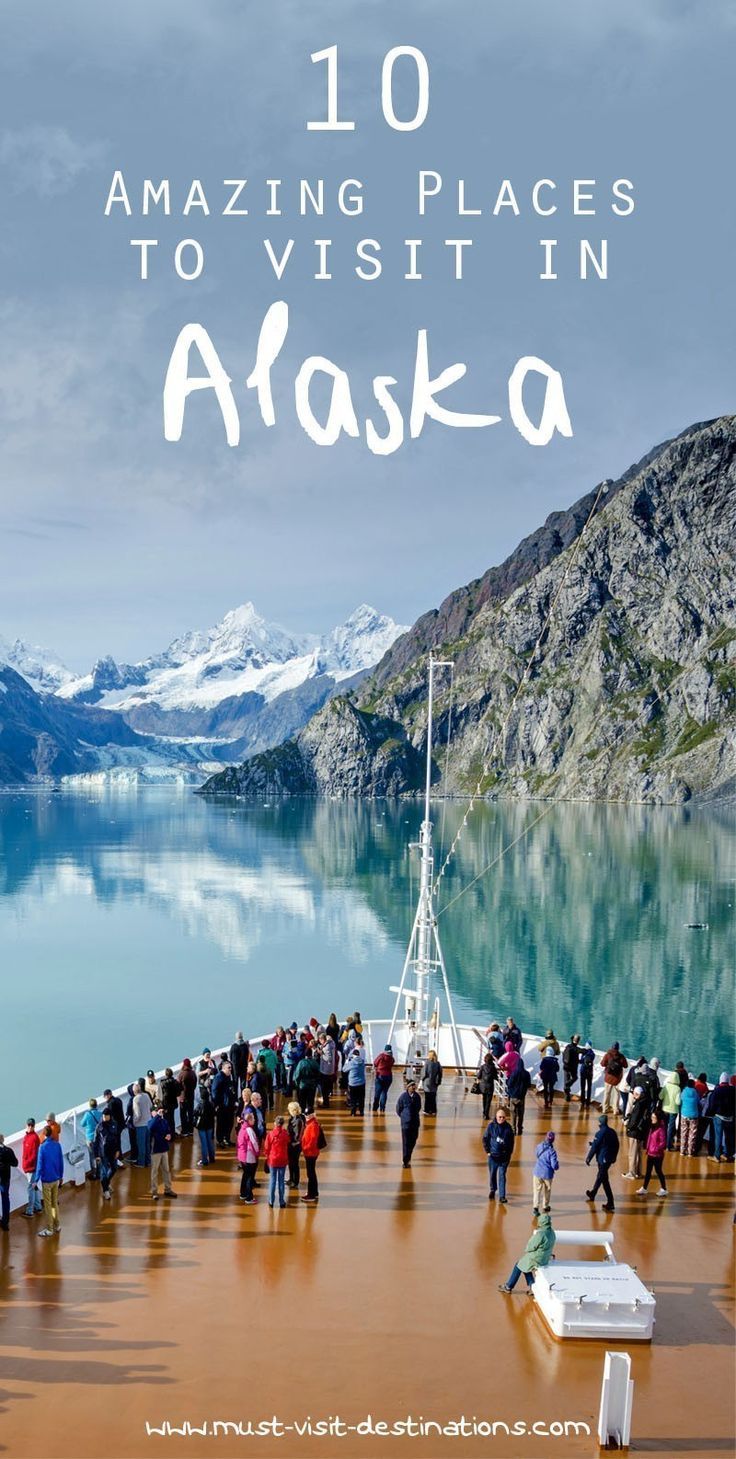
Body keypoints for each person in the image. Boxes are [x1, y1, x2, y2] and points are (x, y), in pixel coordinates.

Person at [498, 1213, 556, 1293]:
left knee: (518, 1265)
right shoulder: (552, 1232)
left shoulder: (540, 1234)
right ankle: (532, 1286)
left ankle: (508, 1286)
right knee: (525, 1265)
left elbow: (529, 1248)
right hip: (545, 1257)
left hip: (537, 1258)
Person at [585, 1114, 619, 1211]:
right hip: (608, 1159)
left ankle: (610, 1201)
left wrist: (588, 1158)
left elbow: (595, 1147)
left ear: (600, 1123)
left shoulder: (599, 1133)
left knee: (602, 1178)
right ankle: (594, 1194)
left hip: (602, 1159)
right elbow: (616, 1145)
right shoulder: (612, 1132)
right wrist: (614, 1157)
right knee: (602, 1178)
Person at [35, 1125, 64, 1237]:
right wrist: (61, 1176)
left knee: (48, 1205)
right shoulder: (57, 1145)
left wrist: (35, 1180)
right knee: (54, 1203)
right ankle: (57, 1225)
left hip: (46, 1180)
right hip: (55, 1179)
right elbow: (60, 1162)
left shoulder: (42, 1147)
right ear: (51, 1133)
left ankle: (49, 1228)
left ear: (44, 1134)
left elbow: (39, 1165)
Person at [482, 1106, 515, 1203]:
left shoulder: (508, 1128)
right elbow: (485, 1139)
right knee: (492, 1175)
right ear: (496, 1117)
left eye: (503, 1117)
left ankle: (502, 1196)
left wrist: (509, 1154)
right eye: (500, 1117)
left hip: (504, 1158)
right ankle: (493, 1189)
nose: (501, 1119)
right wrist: (488, 1151)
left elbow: (512, 1143)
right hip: (493, 1157)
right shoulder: (491, 1126)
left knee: (502, 1176)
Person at [637, 1110, 668, 1196]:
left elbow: (663, 1143)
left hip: (657, 1155)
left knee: (658, 1171)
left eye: (654, 1117)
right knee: (648, 1171)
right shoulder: (652, 1126)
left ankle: (664, 1188)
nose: (652, 1119)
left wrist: (655, 1149)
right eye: (652, 1117)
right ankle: (644, 1188)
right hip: (650, 1153)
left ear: (658, 1118)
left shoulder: (661, 1129)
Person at [148, 1108, 177, 1201]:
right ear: (152, 1113)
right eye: (156, 1111)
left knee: (166, 1170)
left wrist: (169, 1134)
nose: (160, 1113)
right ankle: (154, 1192)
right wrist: (157, 1116)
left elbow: (168, 1130)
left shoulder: (164, 1121)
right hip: (155, 1150)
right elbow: (151, 1127)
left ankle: (168, 1189)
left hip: (164, 1149)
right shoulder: (151, 1122)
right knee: (154, 1171)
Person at [621, 1085, 649, 1179]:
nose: (633, 1096)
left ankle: (632, 1173)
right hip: (641, 1132)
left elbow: (634, 1119)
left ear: (637, 1094)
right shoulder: (645, 1102)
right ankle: (638, 1172)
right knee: (639, 1153)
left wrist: (628, 1127)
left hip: (635, 1132)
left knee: (632, 1153)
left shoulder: (638, 1104)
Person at [94, 1109, 121, 1201]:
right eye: (103, 1116)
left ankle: (107, 1183)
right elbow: (96, 1142)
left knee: (114, 1168)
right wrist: (96, 1155)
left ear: (110, 1116)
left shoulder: (114, 1125)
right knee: (104, 1172)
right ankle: (105, 1191)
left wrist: (118, 1150)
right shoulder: (99, 1127)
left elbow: (117, 1138)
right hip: (103, 1153)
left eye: (107, 1116)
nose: (105, 1117)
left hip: (113, 1151)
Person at [263, 1116, 290, 1208]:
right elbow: (288, 1142)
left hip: (273, 1160)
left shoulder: (270, 1134)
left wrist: (267, 1156)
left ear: (275, 1123)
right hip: (282, 1159)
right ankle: (282, 1201)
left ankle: (271, 1201)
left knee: (272, 1180)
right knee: (281, 1181)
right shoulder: (285, 1134)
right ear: (282, 1124)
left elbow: (266, 1148)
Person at [708, 1074, 735, 1162]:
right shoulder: (733, 1090)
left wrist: (710, 1113)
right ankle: (727, 1154)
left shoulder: (717, 1090)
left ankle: (717, 1156)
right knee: (728, 1136)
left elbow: (712, 1105)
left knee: (718, 1136)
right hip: (730, 1117)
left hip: (719, 1117)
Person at [300, 1111, 326, 1203]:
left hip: (311, 1153)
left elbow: (313, 1140)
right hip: (310, 1152)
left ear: (311, 1115)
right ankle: (314, 1192)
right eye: (305, 1115)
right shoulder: (311, 1123)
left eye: (307, 1115)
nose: (305, 1116)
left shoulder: (313, 1125)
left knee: (310, 1173)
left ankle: (311, 1194)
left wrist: (305, 1148)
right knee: (311, 1173)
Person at [396, 1080, 422, 1168]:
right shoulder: (403, 1097)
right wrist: (404, 1117)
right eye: (412, 1086)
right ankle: (406, 1160)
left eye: (414, 1086)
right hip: (405, 1124)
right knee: (406, 1142)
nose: (414, 1087)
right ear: (408, 1087)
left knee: (414, 1139)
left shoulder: (417, 1097)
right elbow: (398, 1109)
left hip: (415, 1122)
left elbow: (418, 1107)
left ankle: (409, 1153)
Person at [532, 1131, 559, 1214]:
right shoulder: (552, 1152)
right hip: (547, 1174)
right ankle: (545, 1207)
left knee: (537, 1191)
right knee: (547, 1191)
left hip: (537, 1172)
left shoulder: (539, 1146)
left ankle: (535, 1208)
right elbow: (554, 1165)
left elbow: (536, 1154)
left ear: (546, 1137)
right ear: (553, 1140)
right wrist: (557, 1165)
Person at [21, 1118, 43, 1216]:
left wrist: (26, 1164)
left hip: (31, 1168)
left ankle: (29, 1211)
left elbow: (34, 1155)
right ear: (26, 1125)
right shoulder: (26, 1137)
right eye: (28, 1125)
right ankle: (38, 1207)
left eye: (31, 1125)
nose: (30, 1127)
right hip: (28, 1167)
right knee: (34, 1187)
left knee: (30, 1187)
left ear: (34, 1126)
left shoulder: (34, 1138)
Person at [237, 1111, 260, 1203]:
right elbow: (254, 1143)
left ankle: (243, 1193)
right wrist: (257, 1152)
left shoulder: (242, 1128)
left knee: (245, 1175)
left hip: (242, 1156)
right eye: (253, 1118)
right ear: (249, 1120)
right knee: (250, 1177)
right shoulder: (249, 1130)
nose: (254, 1120)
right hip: (249, 1157)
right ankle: (249, 1197)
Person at [212, 1061, 235, 1147]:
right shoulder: (218, 1077)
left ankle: (227, 1139)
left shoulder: (228, 1077)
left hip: (229, 1105)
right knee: (221, 1123)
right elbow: (214, 1091)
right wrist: (217, 1104)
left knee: (230, 1123)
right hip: (222, 1106)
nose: (230, 1069)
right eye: (229, 1068)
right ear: (224, 1068)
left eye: (231, 1068)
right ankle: (220, 1140)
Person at [600, 1043, 628, 1115]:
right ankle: (615, 1110)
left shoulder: (608, 1055)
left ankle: (605, 1109)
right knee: (616, 1094)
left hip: (608, 1078)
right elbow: (626, 1066)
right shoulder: (621, 1056)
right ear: (618, 1048)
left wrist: (608, 1065)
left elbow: (602, 1063)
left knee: (607, 1093)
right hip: (617, 1079)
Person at [506, 1059, 532, 1135]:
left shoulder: (514, 1073)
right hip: (521, 1097)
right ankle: (520, 1129)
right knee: (521, 1114)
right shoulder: (526, 1074)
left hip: (513, 1096)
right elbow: (529, 1085)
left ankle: (513, 1130)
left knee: (513, 1114)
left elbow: (509, 1084)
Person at [194, 1081, 216, 1167]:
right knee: (210, 1142)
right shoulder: (211, 1104)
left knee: (204, 1143)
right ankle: (212, 1158)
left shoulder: (200, 1105)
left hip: (202, 1126)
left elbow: (195, 1113)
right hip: (210, 1126)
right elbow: (214, 1113)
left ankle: (204, 1160)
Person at [0, 1134, 19, 1232]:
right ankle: (5, 1222)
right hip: (5, 1178)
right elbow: (15, 1163)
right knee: (5, 1199)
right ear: (3, 1140)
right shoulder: (8, 1151)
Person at [661, 1068, 682, 1152]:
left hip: (665, 1109)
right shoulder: (678, 1088)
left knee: (664, 1127)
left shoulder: (666, 1086)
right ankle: (668, 1146)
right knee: (670, 1128)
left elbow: (660, 1096)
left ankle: (663, 1143)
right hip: (673, 1111)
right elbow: (678, 1102)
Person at [294, 1048, 321, 1115]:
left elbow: (297, 1075)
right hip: (312, 1085)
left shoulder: (301, 1063)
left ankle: (302, 1115)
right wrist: (316, 1083)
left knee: (302, 1102)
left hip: (303, 1085)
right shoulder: (315, 1063)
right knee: (310, 1102)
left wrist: (297, 1084)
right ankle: (310, 1115)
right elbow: (319, 1074)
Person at [132, 1081, 153, 1166]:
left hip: (141, 1125)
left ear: (134, 1091)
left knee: (141, 1146)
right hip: (148, 1123)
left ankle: (141, 1163)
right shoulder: (146, 1095)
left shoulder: (136, 1099)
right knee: (147, 1144)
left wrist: (134, 1122)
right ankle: (148, 1161)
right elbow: (151, 1106)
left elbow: (138, 1115)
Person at [80, 1098, 102, 1179]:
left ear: (90, 1105)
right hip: (99, 1138)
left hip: (90, 1138)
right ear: (96, 1105)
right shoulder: (100, 1114)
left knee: (92, 1157)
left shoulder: (87, 1114)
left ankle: (94, 1174)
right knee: (98, 1155)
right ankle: (99, 1173)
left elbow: (82, 1124)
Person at [286, 1101, 305, 1190]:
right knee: (290, 1163)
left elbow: (297, 1135)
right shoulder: (293, 1118)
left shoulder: (298, 1121)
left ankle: (295, 1181)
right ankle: (291, 1178)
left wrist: (292, 1142)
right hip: (291, 1144)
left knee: (294, 1163)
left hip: (295, 1145)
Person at [345, 1038, 367, 1116]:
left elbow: (344, 1069)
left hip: (353, 1083)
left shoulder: (351, 1063)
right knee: (361, 1098)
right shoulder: (363, 1062)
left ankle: (353, 1112)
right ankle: (361, 1111)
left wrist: (347, 1062)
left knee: (353, 1098)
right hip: (361, 1082)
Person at [679, 1080, 701, 1156]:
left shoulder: (684, 1092)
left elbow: (680, 1100)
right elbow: (699, 1101)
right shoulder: (695, 1092)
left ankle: (682, 1151)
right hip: (694, 1116)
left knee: (683, 1133)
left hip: (684, 1115)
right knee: (692, 1134)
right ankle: (690, 1152)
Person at [372, 1044, 395, 1113]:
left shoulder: (381, 1056)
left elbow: (375, 1063)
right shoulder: (391, 1058)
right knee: (384, 1092)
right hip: (388, 1076)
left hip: (380, 1076)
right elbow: (392, 1063)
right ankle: (382, 1108)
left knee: (377, 1093)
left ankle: (375, 1107)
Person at [160, 1068, 182, 1138]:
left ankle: (168, 1136)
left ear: (166, 1074)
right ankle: (172, 1135)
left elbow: (161, 1095)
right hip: (173, 1104)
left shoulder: (162, 1083)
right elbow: (178, 1093)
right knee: (172, 1120)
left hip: (166, 1105)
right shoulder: (175, 1082)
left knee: (166, 1120)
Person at [318, 1034, 338, 1107]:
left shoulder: (327, 1047)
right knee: (328, 1086)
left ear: (322, 1039)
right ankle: (326, 1101)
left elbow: (328, 1058)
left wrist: (321, 1053)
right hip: (330, 1069)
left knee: (324, 1088)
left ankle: (326, 1103)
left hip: (325, 1070)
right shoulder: (331, 1044)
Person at [178, 1060, 197, 1137]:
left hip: (183, 1097)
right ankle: (190, 1130)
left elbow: (178, 1085)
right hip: (191, 1096)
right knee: (190, 1113)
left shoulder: (181, 1074)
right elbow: (195, 1084)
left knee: (183, 1114)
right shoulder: (193, 1073)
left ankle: (184, 1131)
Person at [422, 1050, 443, 1116]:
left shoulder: (427, 1063)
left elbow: (424, 1073)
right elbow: (440, 1073)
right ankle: (433, 1110)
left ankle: (427, 1110)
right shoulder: (437, 1063)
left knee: (427, 1097)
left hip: (427, 1082)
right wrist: (439, 1081)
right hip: (434, 1082)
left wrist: (422, 1079)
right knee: (433, 1097)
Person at [478, 1052, 497, 1121]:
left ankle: (484, 1113)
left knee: (484, 1100)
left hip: (483, 1086)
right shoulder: (493, 1068)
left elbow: (478, 1076)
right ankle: (486, 1114)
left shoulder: (482, 1067)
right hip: (490, 1086)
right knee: (488, 1101)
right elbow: (496, 1077)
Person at [562, 1035, 581, 1102]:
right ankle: (567, 1087)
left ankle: (567, 1097)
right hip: (572, 1068)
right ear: (578, 1041)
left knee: (566, 1080)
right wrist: (580, 1061)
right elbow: (576, 1060)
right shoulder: (576, 1049)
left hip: (565, 1066)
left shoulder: (568, 1047)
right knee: (574, 1078)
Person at [579, 1042, 595, 1107]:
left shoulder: (583, 1052)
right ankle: (588, 1102)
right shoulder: (593, 1054)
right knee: (589, 1087)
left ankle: (582, 1101)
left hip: (583, 1071)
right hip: (589, 1072)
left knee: (583, 1087)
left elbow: (581, 1061)